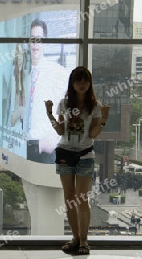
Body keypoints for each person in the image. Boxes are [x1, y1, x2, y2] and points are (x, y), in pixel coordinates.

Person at [45, 66, 110, 255]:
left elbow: (93, 134)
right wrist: (49, 114)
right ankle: (75, 239)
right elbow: (59, 130)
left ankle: (84, 241)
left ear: (89, 84)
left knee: (82, 199)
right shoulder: (64, 104)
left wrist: (104, 119)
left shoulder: (94, 106)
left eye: (85, 80)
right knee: (69, 198)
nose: (82, 84)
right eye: (78, 80)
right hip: (65, 153)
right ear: (72, 83)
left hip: (85, 155)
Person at [27, 19, 70, 163]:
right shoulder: (20, 73)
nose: (35, 44)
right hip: (23, 146)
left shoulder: (57, 72)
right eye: (32, 39)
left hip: (46, 148)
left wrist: (55, 136)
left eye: (39, 39)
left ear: (45, 42)